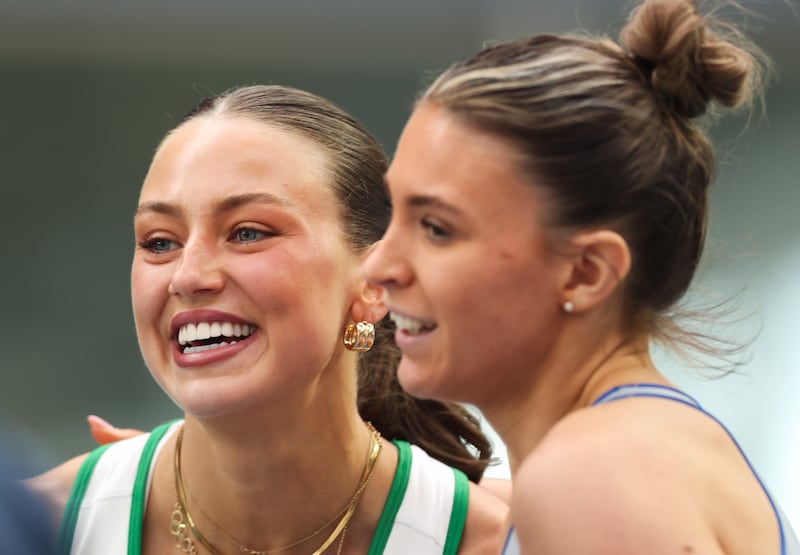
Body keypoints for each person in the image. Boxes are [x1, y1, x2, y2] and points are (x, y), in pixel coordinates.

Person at [363, 0, 799, 553]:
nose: (380, 264)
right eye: (394, 211)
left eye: (437, 228)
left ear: (586, 273)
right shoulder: (641, 450)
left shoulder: (592, 478)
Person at [28, 84, 507, 554]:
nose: (188, 276)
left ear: (373, 283)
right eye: (159, 242)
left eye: (248, 232)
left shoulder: (500, 541)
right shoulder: (38, 529)